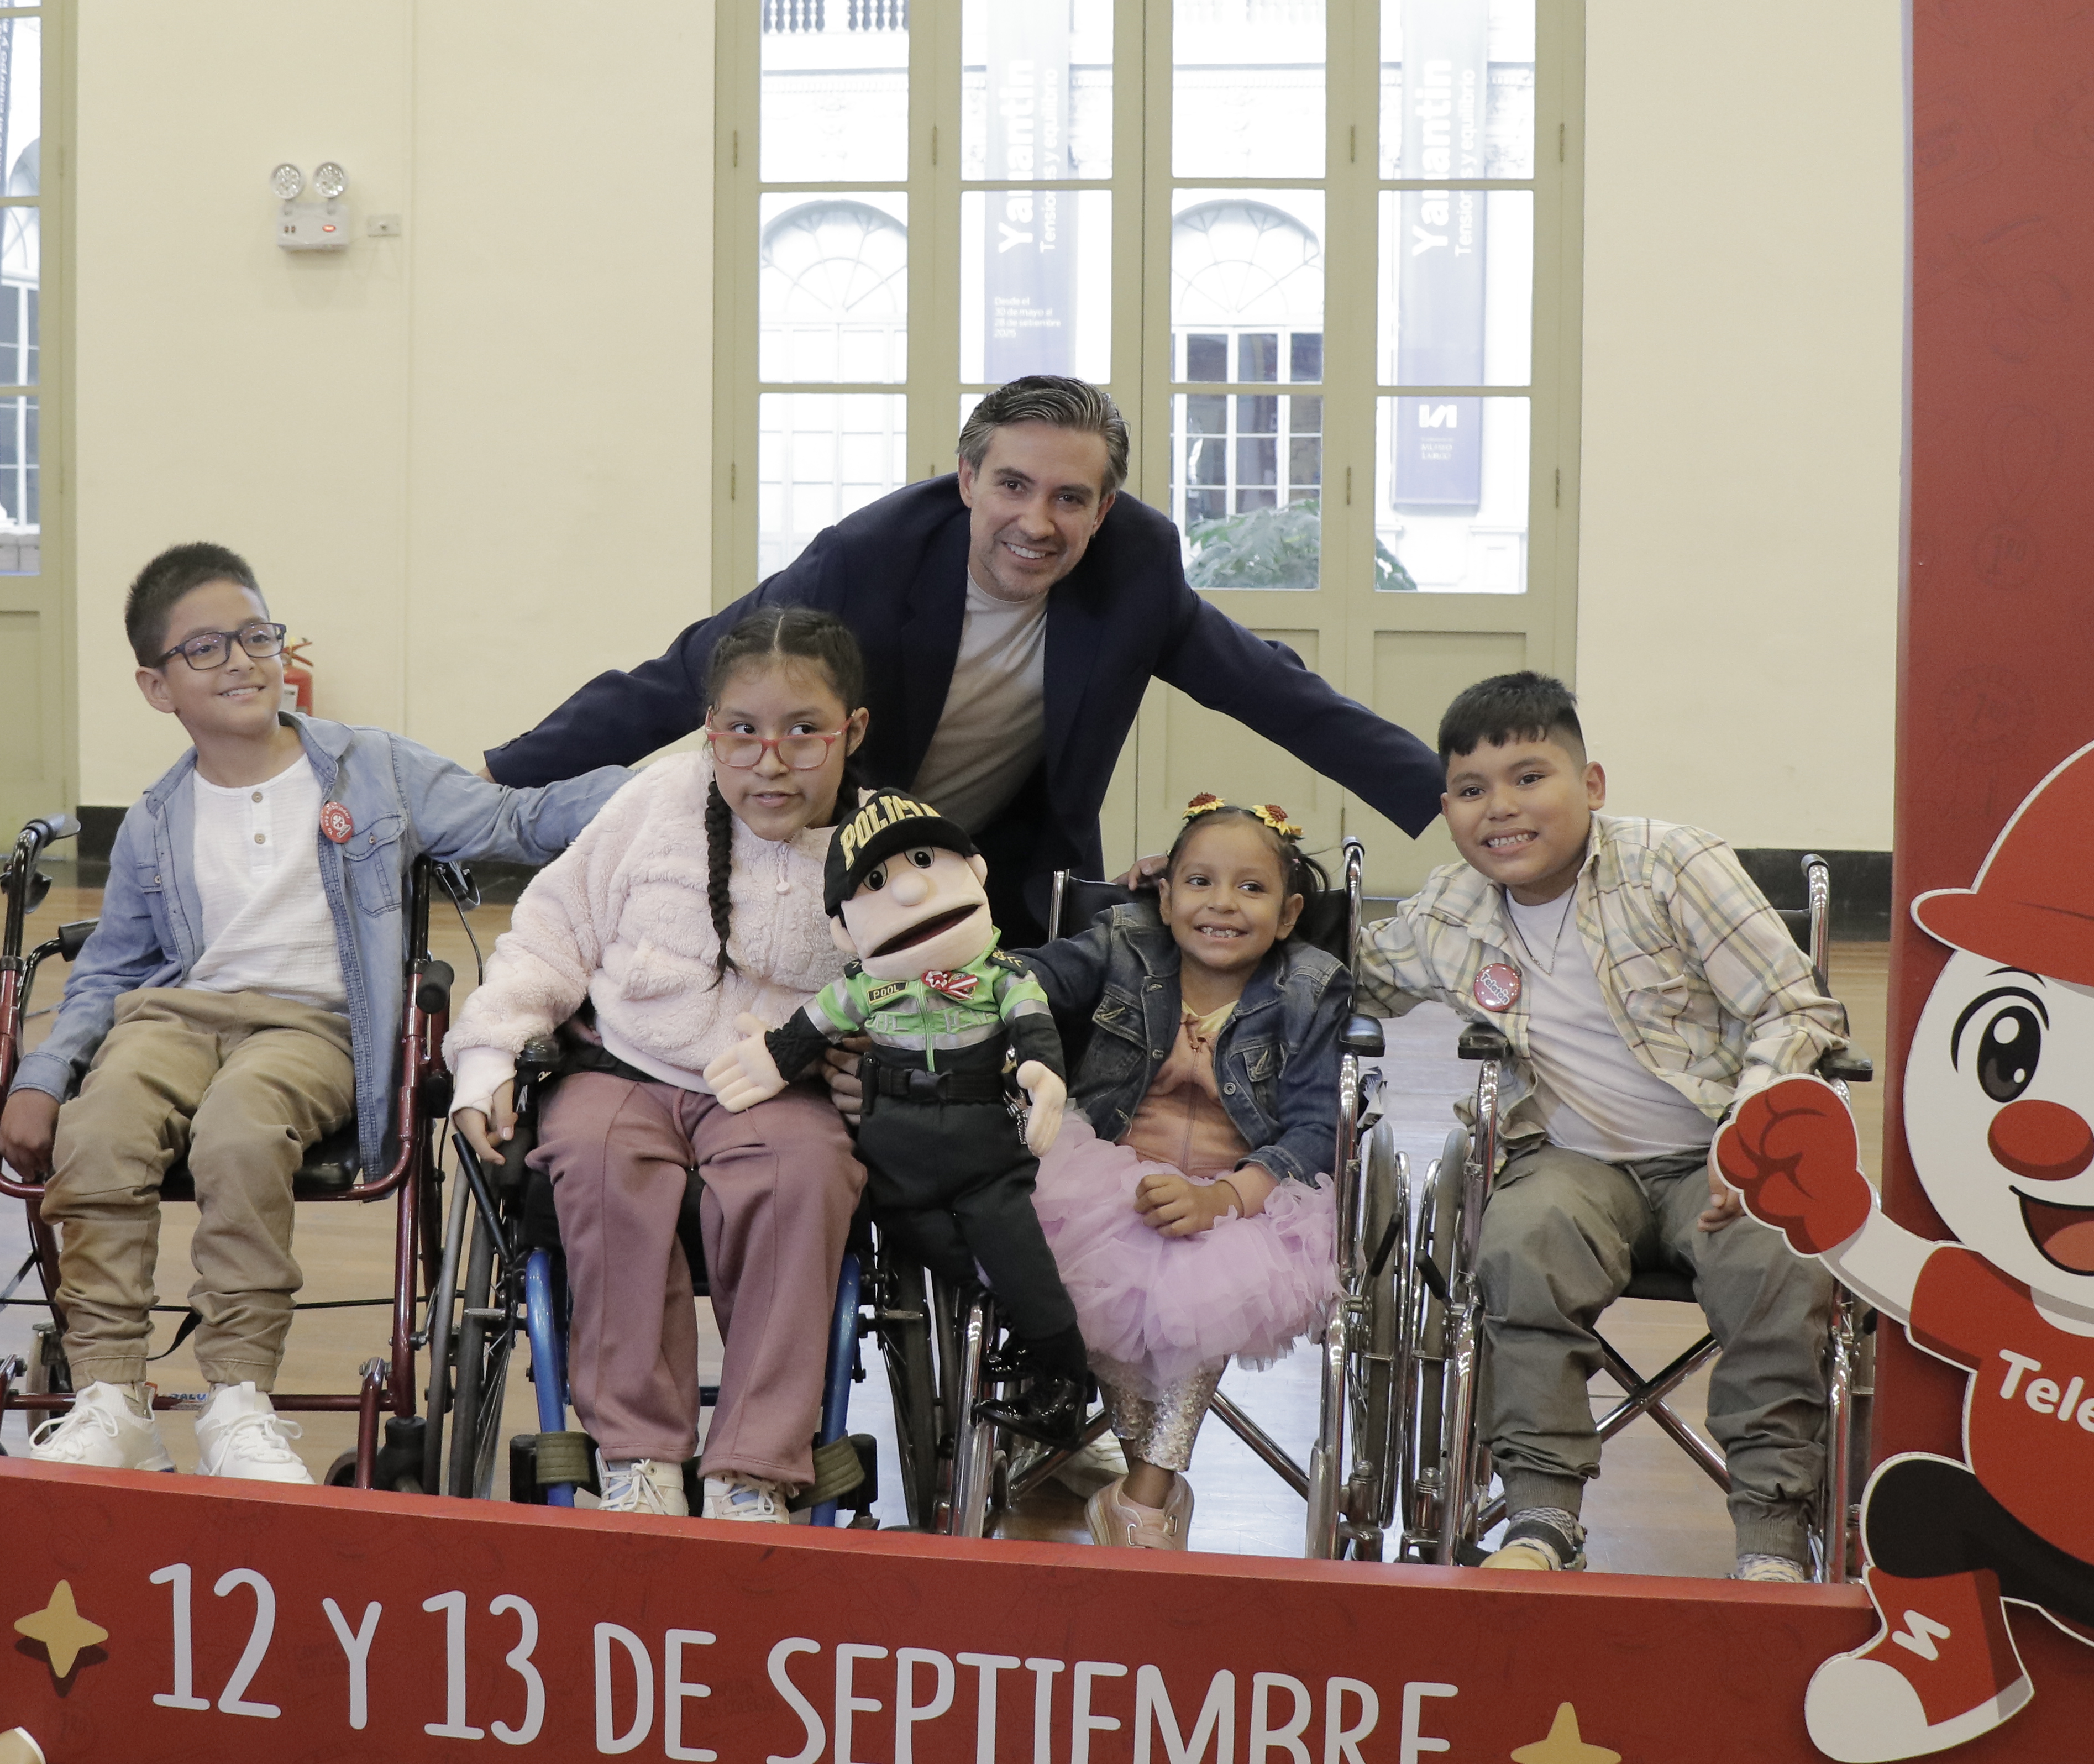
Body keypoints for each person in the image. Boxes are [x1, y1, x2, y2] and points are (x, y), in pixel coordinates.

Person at [0, 542, 626, 1482]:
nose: (243, 660)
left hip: (312, 1027)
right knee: (99, 1132)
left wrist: (667, 784)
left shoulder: (370, 770)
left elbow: (513, 822)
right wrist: (43, 1077)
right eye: (206, 648)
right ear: (156, 686)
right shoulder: (156, 819)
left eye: (257, 635)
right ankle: (110, 1394)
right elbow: (110, 972)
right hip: (173, 1019)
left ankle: (238, 1399)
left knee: (241, 1134)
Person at [483, 375, 1445, 943]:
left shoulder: (1135, 571)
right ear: (968, 479)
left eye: (1071, 498)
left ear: (1104, 510)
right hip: (837, 858)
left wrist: (1458, 798)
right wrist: (498, 779)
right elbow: (699, 666)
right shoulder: (870, 558)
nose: (1037, 522)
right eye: (1014, 486)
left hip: (1014, 876)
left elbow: (1273, 688)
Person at [1353, 670, 1848, 1582]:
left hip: (1716, 1152)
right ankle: (1541, 1518)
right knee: (1521, 1243)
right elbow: (1349, 973)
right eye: (1471, 791)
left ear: (1593, 785)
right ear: (1447, 808)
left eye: (1530, 777)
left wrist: (1755, 1132)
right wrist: (1215, 904)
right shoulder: (1449, 912)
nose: (1501, 809)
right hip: (1572, 1162)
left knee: (1780, 1260)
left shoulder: (1672, 867)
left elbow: (1794, 1010)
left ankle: (1772, 1535)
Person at [444, 607, 873, 1525]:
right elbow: (552, 934)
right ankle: (639, 1456)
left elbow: (931, 982)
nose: (770, 759)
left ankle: (752, 1468)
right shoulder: (654, 803)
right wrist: (486, 1055)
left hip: (775, 1081)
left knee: (806, 1173)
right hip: (625, 1063)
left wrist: (879, 1062)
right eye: (741, 732)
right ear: (710, 731)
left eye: (804, 732)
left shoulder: (880, 846)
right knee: (596, 1164)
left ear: (853, 732)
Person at [1011, 796, 1349, 1552]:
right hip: (1109, 1175)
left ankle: (1147, 1493)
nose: (1222, 905)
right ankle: (1142, 1502)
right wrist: (982, 979)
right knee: (1088, 1249)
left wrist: (1222, 1199)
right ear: (1164, 899)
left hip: (1246, 1192)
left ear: (1291, 913)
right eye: (1199, 883)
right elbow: (1043, 973)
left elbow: (1316, 1126)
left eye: (1252, 889)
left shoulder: (1310, 987)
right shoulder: (1125, 941)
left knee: (1215, 1283)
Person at [707, 792, 1092, 1447]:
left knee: (1011, 1241)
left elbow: (1032, 1023)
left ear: (974, 872)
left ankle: (1063, 1377)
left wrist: (1043, 1076)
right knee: (918, 1243)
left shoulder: (1001, 974)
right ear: (844, 930)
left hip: (982, 1142)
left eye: (923, 861)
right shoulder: (862, 987)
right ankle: (1003, 1313)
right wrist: (772, 1057)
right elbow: (807, 1030)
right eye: (879, 882)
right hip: (892, 1149)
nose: (911, 891)